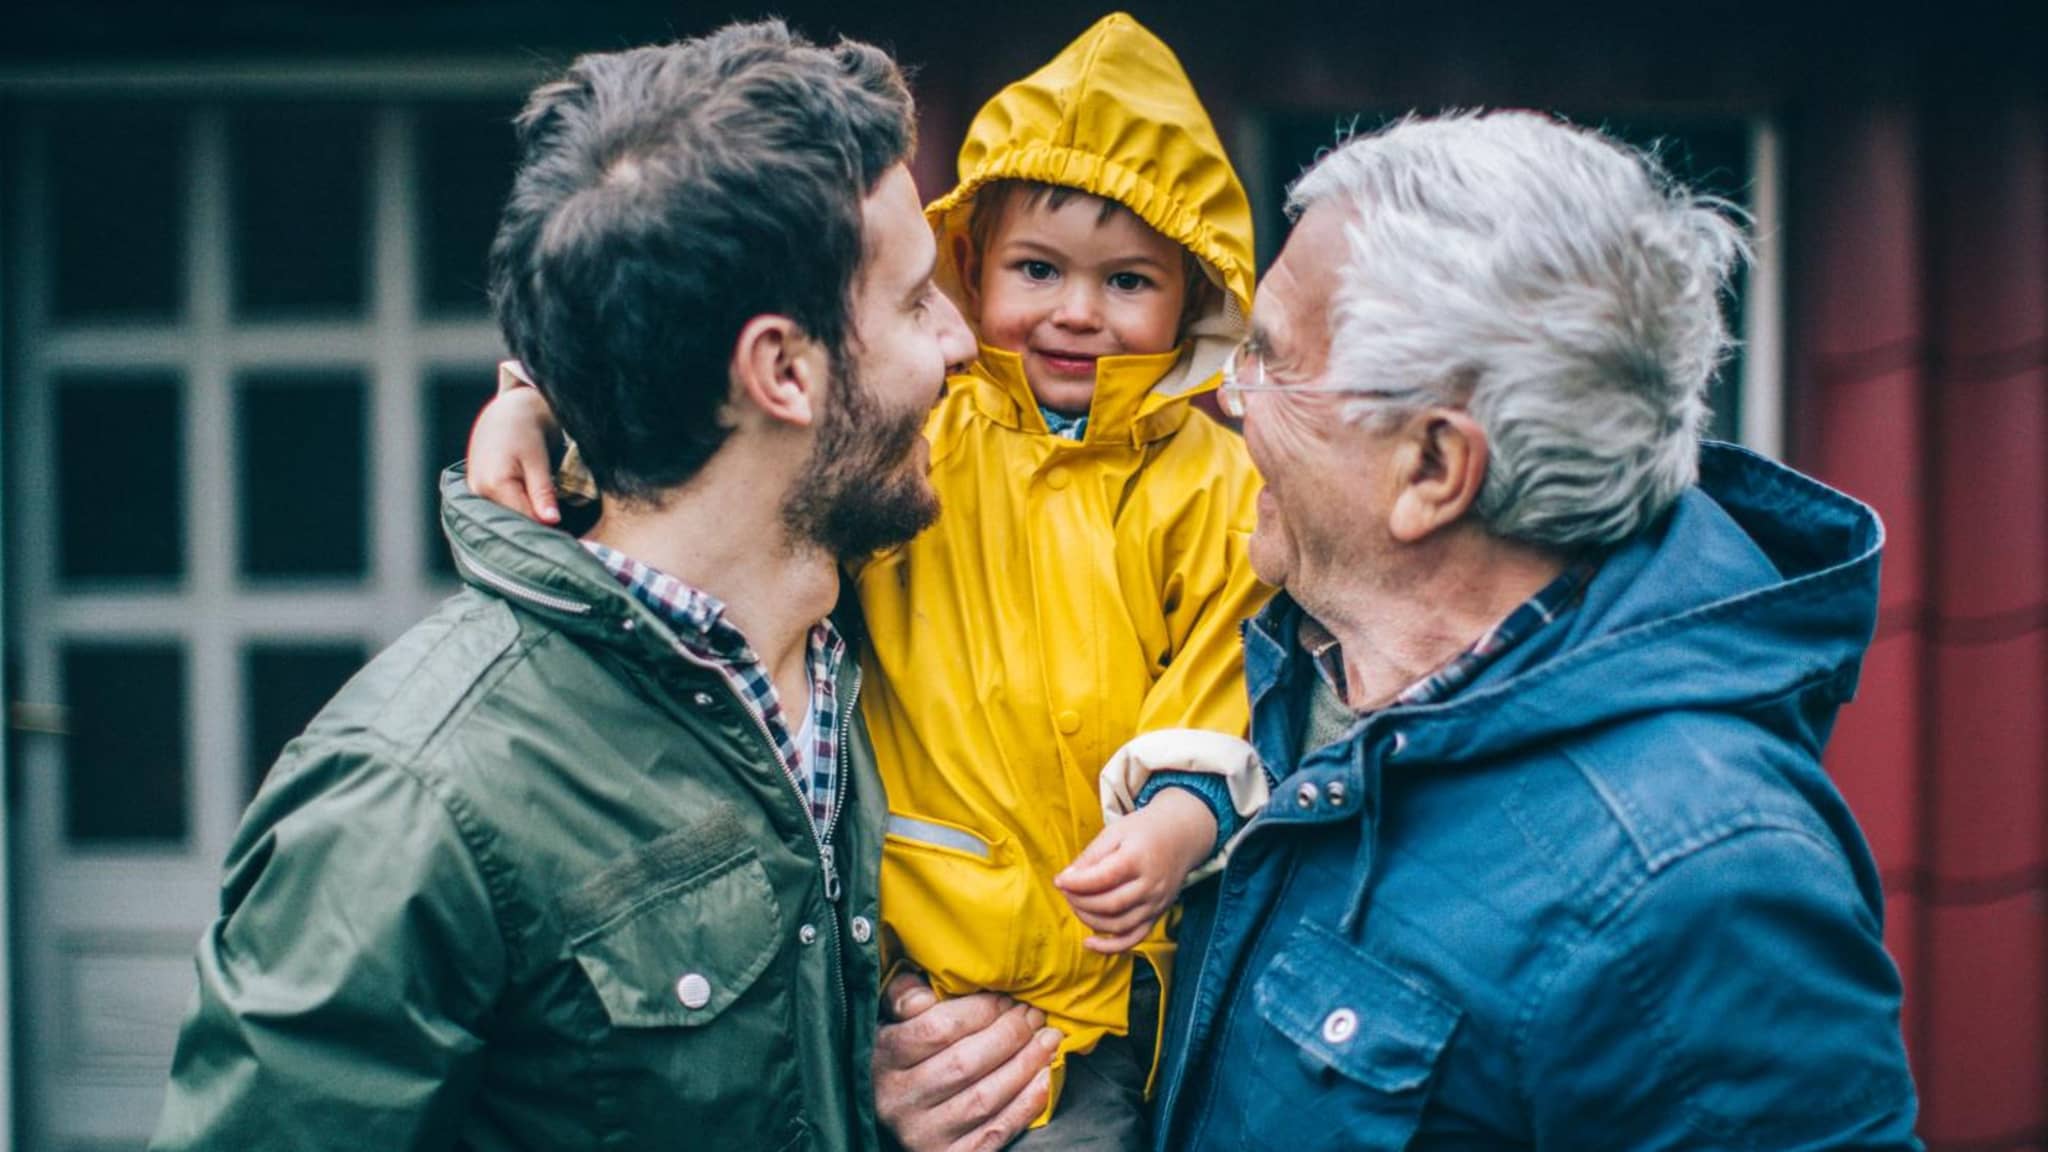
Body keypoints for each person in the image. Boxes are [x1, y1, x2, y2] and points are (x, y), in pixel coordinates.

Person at [879, 110, 1924, 1150]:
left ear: (1430, 468)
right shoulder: (1289, 673)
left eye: (1270, 362)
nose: (1230, 404)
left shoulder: (1695, 891)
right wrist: (958, 1074)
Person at [150, 22, 989, 1151]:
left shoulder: (874, 641)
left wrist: (865, 1107)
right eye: (914, 303)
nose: (964, 342)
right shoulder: (411, 799)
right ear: (782, 371)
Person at [468, 13, 1271, 1147]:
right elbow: (709, 440)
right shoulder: (924, 429)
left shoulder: (1205, 482)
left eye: (1128, 281)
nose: (1077, 312)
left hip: (1106, 965)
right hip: (906, 938)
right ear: (974, 262)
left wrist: (1183, 819)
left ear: (1191, 301)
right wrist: (541, 402)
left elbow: (1229, 664)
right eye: (1035, 269)